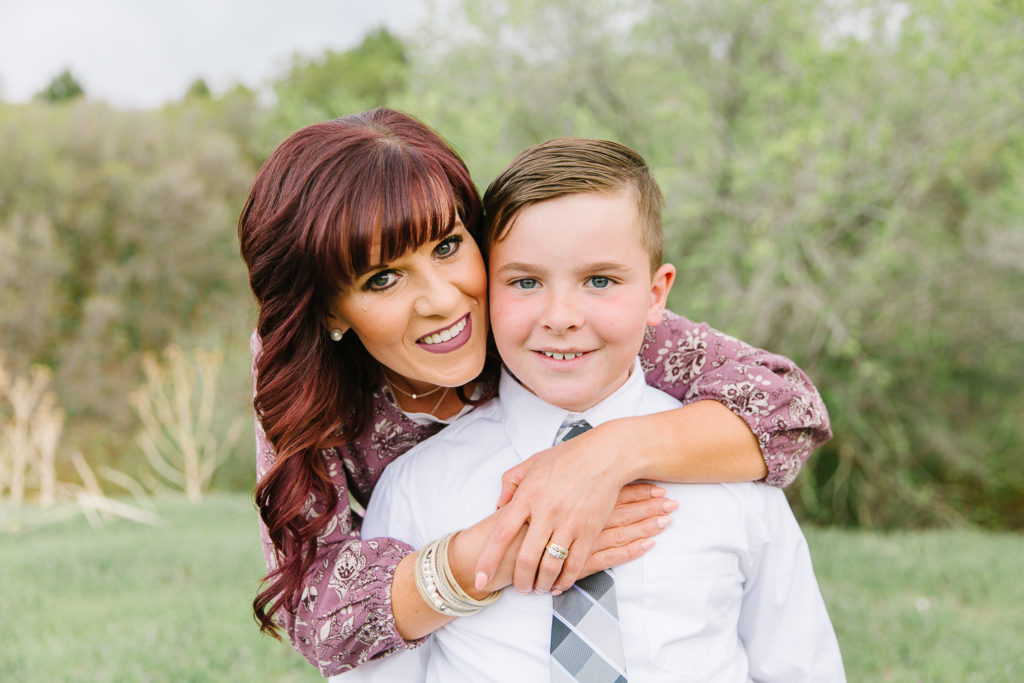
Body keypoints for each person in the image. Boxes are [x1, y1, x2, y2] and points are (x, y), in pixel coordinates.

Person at [237, 108, 832, 676]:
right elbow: (317, 613)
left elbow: (785, 408)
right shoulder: (311, 397)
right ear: (329, 311)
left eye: (447, 246)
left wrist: (603, 457)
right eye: (382, 278)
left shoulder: (551, 323)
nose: (444, 300)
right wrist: (489, 553)